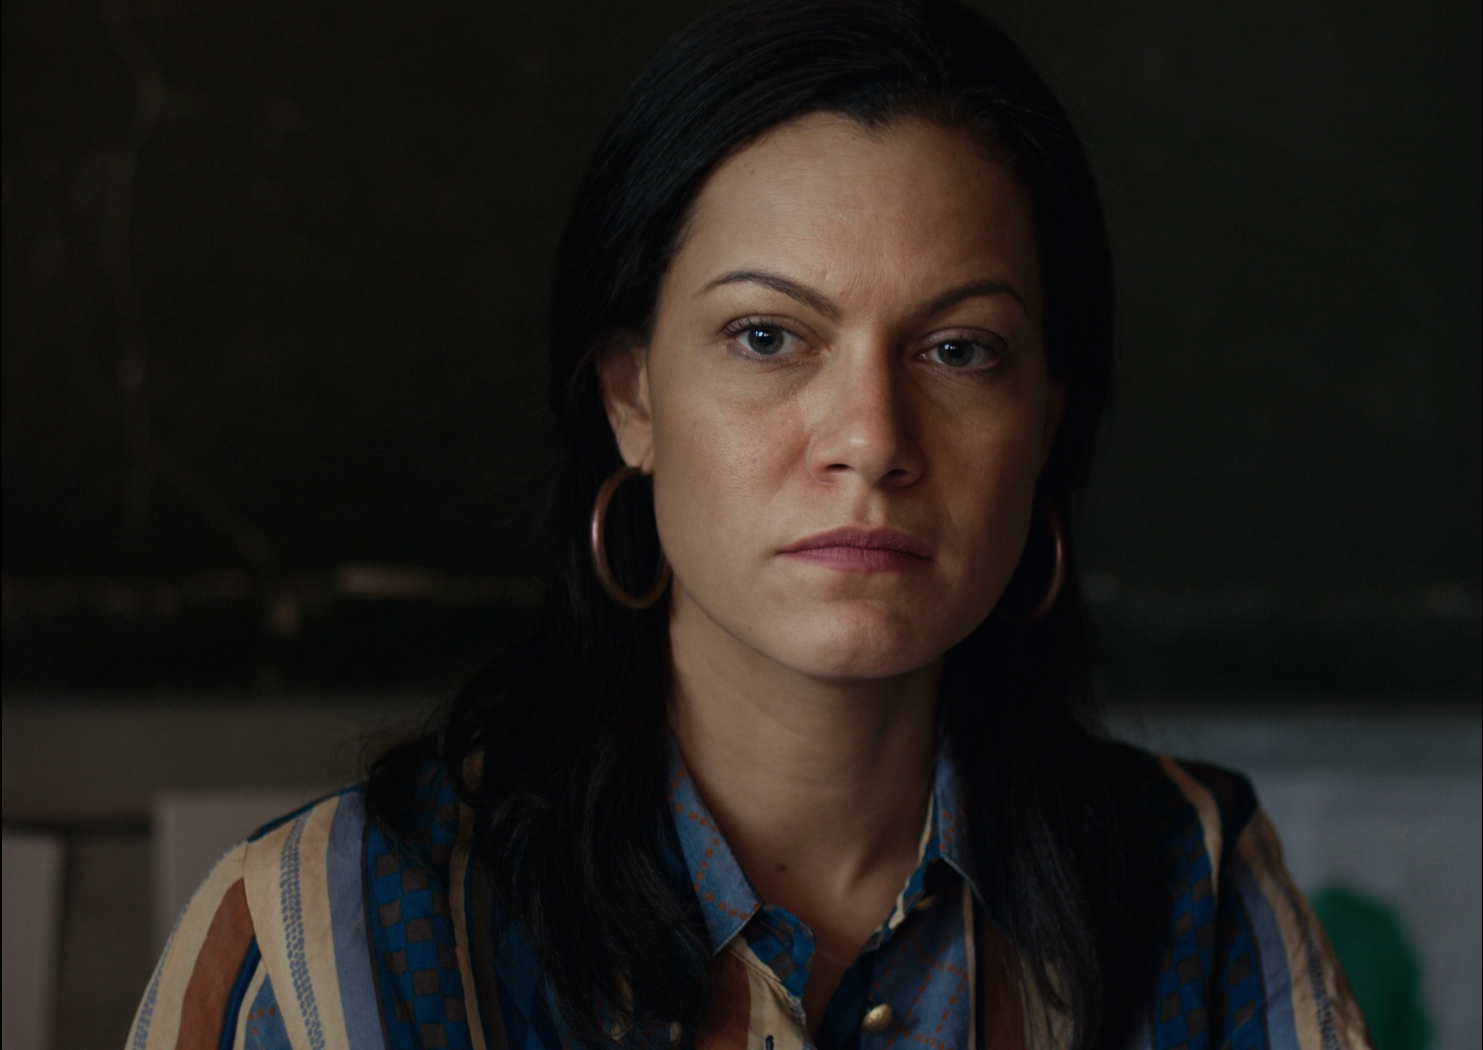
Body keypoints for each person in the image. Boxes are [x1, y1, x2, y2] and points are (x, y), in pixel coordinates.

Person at [127, 1, 1372, 1047]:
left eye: (959, 349)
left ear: (1046, 418)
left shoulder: (1195, 895)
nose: (871, 439)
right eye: (768, 336)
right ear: (631, 396)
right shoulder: (329, 939)